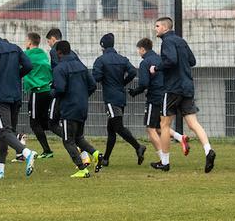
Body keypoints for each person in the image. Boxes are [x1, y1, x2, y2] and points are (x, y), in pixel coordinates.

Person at [152, 17, 215, 173]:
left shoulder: (167, 42)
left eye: (157, 26)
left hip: (172, 88)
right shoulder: (181, 41)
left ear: (165, 28)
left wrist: (157, 67)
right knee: (193, 123)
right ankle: (208, 150)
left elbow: (171, 60)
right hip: (187, 87)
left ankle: (165, 162)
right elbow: (192, 61)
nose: (155, 29)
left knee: (164, 125)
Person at [0, 26, 36, 179]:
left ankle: (26, 152)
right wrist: (17, 75)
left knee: (3, 131)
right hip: (16, 94)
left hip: (1, 95)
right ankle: (1, 168)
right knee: (6, 131)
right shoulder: (14, 48)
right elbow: (29, 66)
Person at [129, 38, 190, 170]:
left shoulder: (145, 62)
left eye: (138, 50)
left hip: (154, 98)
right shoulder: (160, 59)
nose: (138, 52)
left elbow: (144, 83)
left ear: (142, 49)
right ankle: (180, 137)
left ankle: (163, 160)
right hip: (165, 95)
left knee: (150, 129)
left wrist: (134, 92)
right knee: (160, 127)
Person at [92, 33, 145, 167]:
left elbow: (96, 77)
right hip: (121, 97)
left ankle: (138, 146)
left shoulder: (101, 60)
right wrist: (123, 82)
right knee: (111, 128)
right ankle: (106, 159)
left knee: (118, 127)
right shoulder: (122, 59)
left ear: (102, 46)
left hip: (110, 98)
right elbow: (133, 71)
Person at [51, 40, 100, 178]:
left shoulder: (59, 68)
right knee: (79, 137)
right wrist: (83, 96)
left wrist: (52, 92)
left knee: (68, 140)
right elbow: (93, 85)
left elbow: (60, 89)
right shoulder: (81, 66)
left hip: (69, 108)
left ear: (58, 52)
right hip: (82, 107)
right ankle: (96, 154)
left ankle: (82, 169)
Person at [23, 32, 55, 158]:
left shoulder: (26, 55)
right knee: (46, 122)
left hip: (37, 90)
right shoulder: (43, 54)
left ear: (29, 42)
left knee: (34, 123)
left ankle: (47, 150)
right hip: (48, 89)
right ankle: (71, 139)